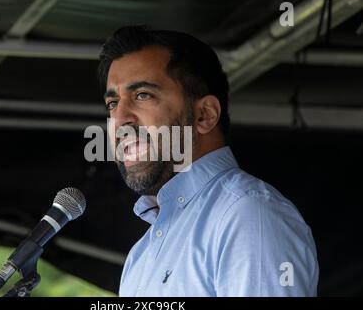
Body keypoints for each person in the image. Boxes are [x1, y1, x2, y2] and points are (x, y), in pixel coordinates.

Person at [98, 25, 319, 296]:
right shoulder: (139, 256)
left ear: (205, 115)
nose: (119, 121)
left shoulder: (248, 214)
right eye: (112, 104)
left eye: (143, 95)